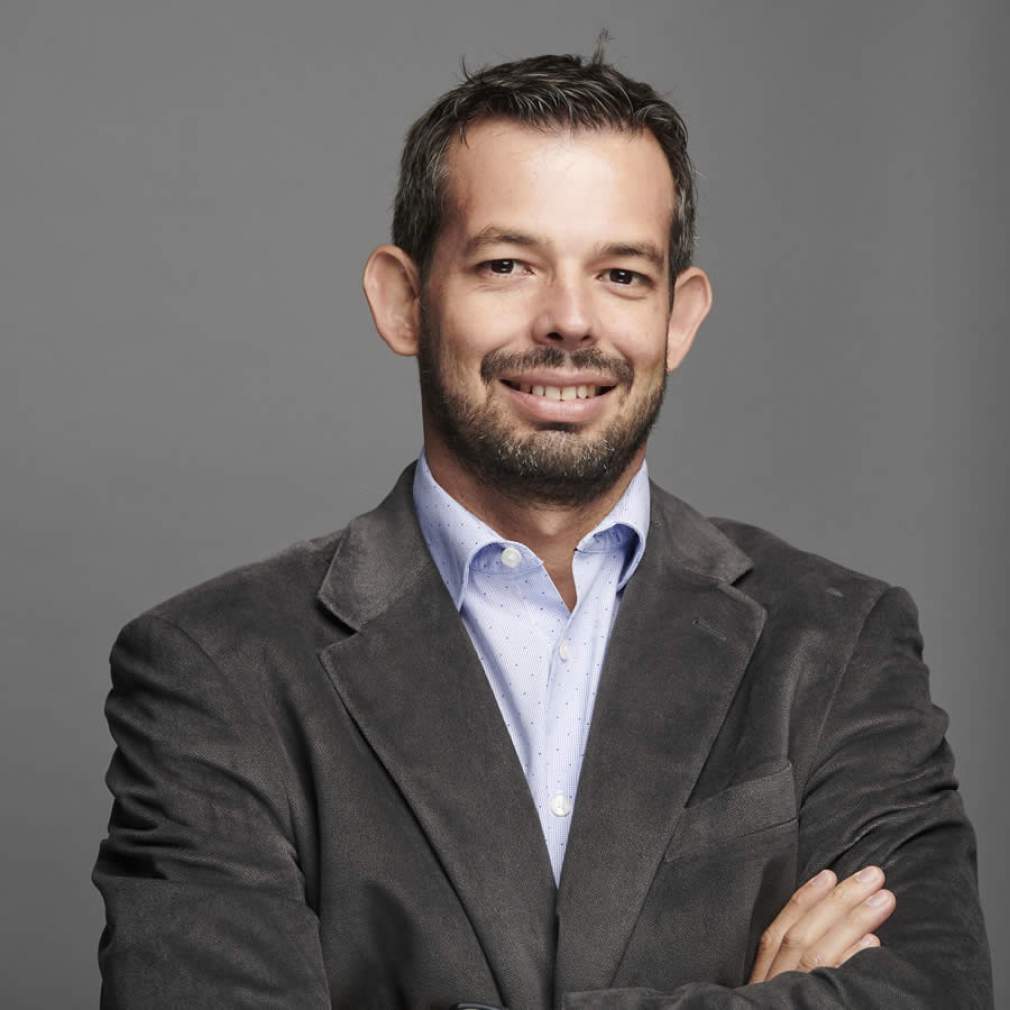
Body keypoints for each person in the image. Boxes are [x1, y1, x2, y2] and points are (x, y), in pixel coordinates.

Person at [93, 47, 992, 1009]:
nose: (569, 321)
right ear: (403, 300)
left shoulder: (840, 640)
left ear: (679, 318)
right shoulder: (213, 670)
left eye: (622, 274)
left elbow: (931, 993)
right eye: (508, 265)